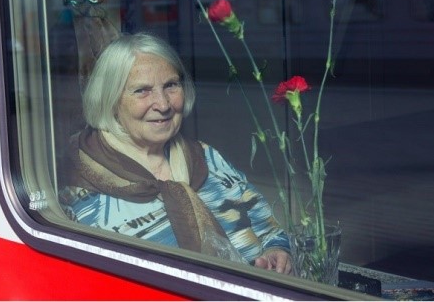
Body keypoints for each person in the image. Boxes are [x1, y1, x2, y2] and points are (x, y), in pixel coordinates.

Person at [58, 32, 291, 274]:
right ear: (111, 101)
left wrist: (277, 250)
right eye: (142, 91)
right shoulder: (79, 193)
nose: (164, 104)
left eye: (171, 85)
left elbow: (270, 229)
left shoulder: (206, 157)